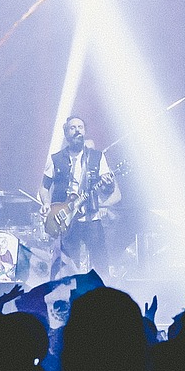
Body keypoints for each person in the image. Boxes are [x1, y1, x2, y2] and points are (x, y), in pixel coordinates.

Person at [41, 116, 119, 280]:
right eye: (73, 128)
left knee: (101, 264)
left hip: (91, 218)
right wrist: (47, 203)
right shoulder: (55, 159)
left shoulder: (97, 157)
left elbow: (108, 189)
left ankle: (105, 298)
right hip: (67, 221)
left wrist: (108, 183)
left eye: (80, 127)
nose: (77, 130)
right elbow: (44, 187)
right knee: (68, 265)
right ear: (66, 132)